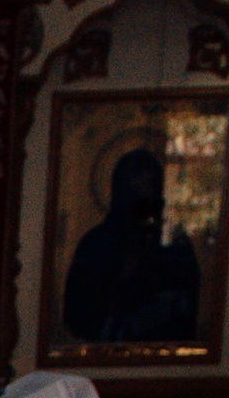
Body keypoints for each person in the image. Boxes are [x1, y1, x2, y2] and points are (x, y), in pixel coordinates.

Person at [61, 140, 203, 344]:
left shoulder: (175, 245)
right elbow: (78, 316)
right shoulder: (95, 243)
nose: (145, 198)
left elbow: (185, 313)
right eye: (136, 187)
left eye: (152, 186)